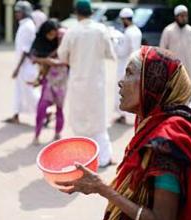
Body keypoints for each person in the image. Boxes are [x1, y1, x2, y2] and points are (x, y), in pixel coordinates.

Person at [56, 46, 191, 220]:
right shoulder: (151, 124)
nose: (120, 82)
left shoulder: (167, 142)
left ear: (153, 84)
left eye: (129, 73)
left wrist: (103, 189)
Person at [58, 0, 115, 167]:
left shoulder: (72, 32)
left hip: (78, 84)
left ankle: (83, 160)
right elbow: (109, 52)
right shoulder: (101, 30)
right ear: (91, 12)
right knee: (98, 120)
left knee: (79, 121)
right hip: (96, 84)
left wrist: (74, 60)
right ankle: (103, 158)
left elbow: (62, 56)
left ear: (77, 13)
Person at [29, 20, 68, 145]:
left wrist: (50, 61)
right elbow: (35, 59)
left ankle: (57, 133)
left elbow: (70, 62)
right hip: (49, 81)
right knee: (41, 107)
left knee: (60, 109)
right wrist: (45, 63)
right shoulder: (43, 44)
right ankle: (36, 135)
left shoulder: (67, 46)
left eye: (58, 36)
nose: (57, 38)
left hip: (62, 82)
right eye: (51, 34)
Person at [4, 1, 40, 124]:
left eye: (19, 11)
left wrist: (17, 68)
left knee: (29, 91)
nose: (16, 14)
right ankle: (16, 115)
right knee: (19, 91)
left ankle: (45, 112)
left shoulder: (28, 26)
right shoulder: (23, 25)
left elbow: (25, 50)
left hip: (26, 65)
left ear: (25, 12)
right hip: (22, 64)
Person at [112, 7, 142, 124]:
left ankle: (123, 115)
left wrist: (114, 42)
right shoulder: (137, 31)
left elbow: (121, 52)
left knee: (121, 90)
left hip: (125, 65)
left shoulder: (128, 33)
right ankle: (133, 116)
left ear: (124, 19)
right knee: (133, 90)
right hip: (136, 64)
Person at [160, 5, 191, 76]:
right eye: (182, 16)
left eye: (186, 16)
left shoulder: (190, 30)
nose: (184, 18)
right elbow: (162, 50)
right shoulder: (168, 30)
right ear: (176, 17)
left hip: (187, 69)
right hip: (172, 69)